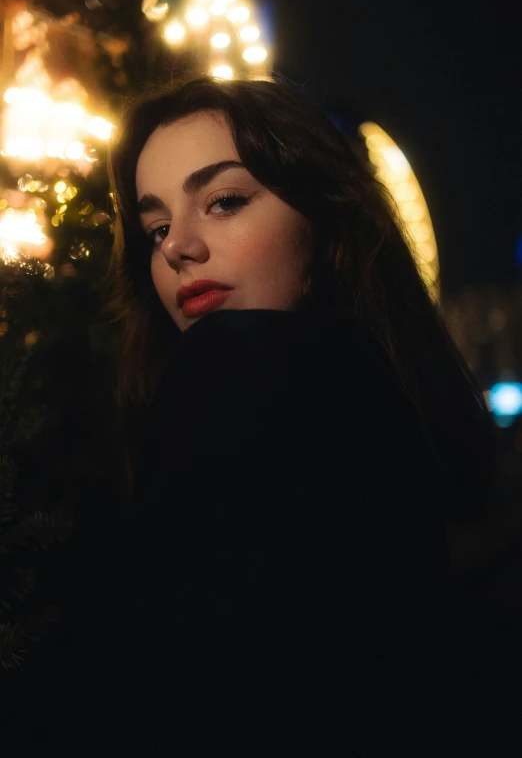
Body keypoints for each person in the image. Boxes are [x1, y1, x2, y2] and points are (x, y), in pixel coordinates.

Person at [8, 73, 499, 756]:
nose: (178, 245)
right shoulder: (394, 407)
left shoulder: (232, 364)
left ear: (323, 225)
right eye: (155, 227)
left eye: (225, 201)